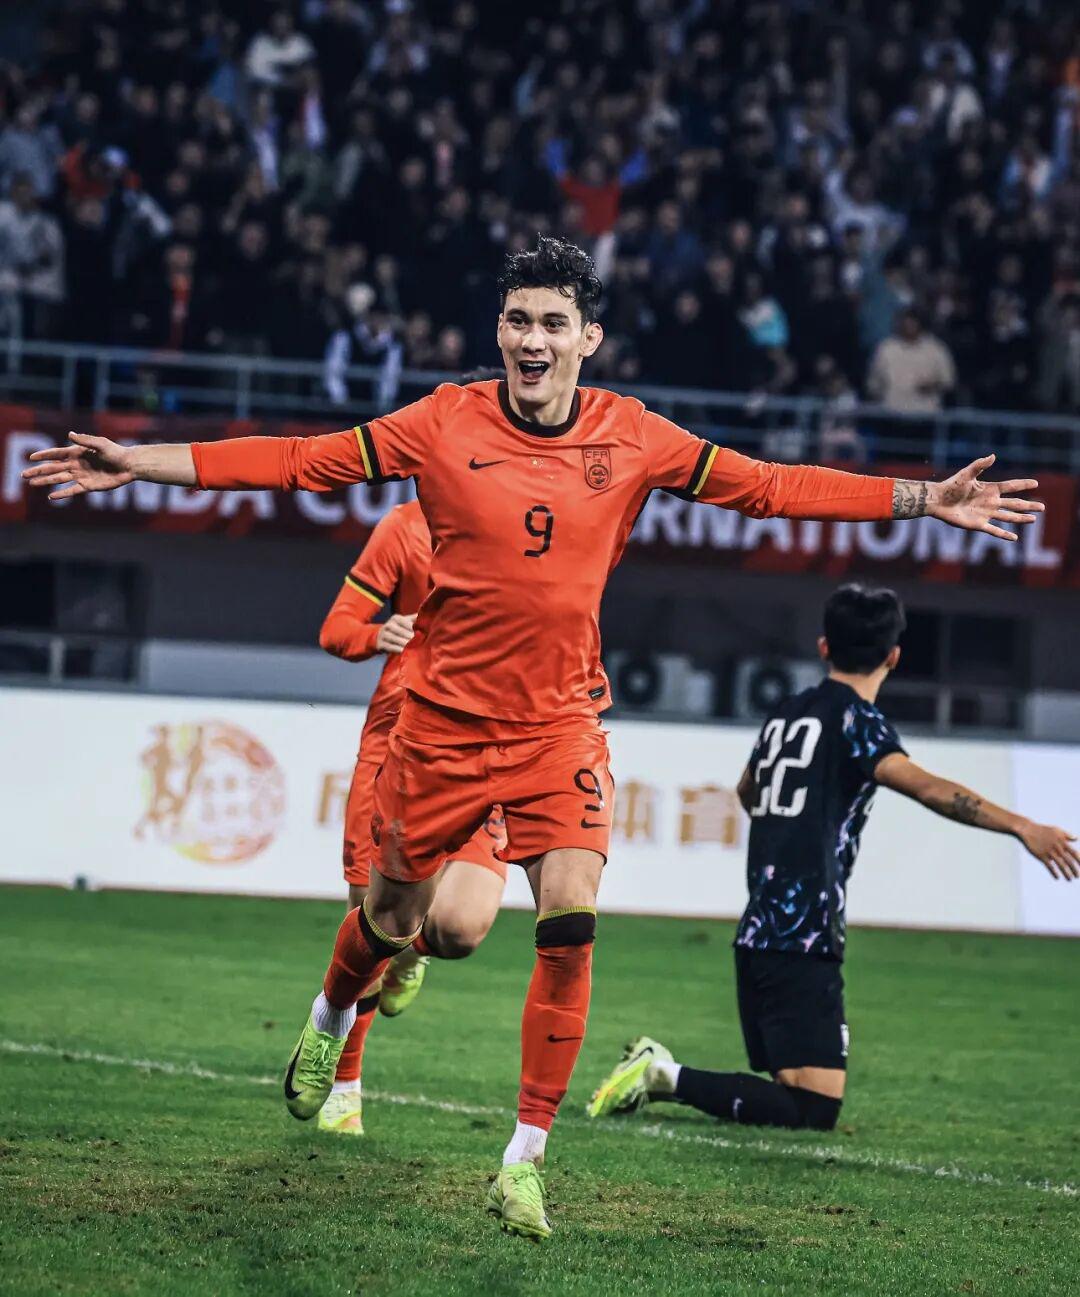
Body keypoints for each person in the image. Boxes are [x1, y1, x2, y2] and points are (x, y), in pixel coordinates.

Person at [23, 237, 1045, 1240]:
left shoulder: (633, 435)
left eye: (555, 322)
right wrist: (139, 462)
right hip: (441, 726)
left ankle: (524, 1157)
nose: (533, 339)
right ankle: (332, 1017)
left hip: (561, 727)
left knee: (571, 918)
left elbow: (772, 486)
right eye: (518, 320)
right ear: (499, 330)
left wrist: (925, 499)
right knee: (396, 917)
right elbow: (298, 462)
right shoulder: (441, 421)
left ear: (589, 337)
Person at [586, 585, 1079, 1132]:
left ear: (824, 647)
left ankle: (664, 1075)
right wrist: (1023, 826)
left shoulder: (787, 713)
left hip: (761, 928)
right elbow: (927, 788)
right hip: (803, 935)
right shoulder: (858, 721)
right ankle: (661, 1074)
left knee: (797, 1092)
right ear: (894, 656)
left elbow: (748, 790)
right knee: (813, 1107)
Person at [316, 498, 507, 1136]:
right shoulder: (405, 528)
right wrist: (378, 634)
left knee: (460, 930)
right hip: (395, 746)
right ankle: (344, 1087)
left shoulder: (531, 521)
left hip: (485, 750)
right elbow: (336, 629)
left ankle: (407, 950)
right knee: (366, 918)